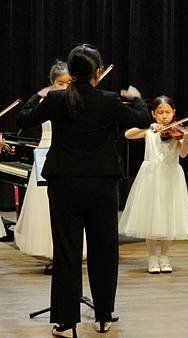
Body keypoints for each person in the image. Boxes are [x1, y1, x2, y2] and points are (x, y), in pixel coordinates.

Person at [17, 43, 150, 337]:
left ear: (71, 71)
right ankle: (103, 315)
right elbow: (143, 120)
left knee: (66, 251)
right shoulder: (109, 99)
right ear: (97, 73)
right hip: (102, 183)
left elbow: (22, 118)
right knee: (104, 250)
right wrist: (138, 99)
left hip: (64, 182)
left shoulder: (54, 99)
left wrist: (37, 95)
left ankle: (65, 321)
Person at [14, 60, 88, 274]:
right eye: (59, 83)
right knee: (45, 209)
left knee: (69, 207)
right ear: (52, 83)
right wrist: (39, 94)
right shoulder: (46, 102)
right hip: (47, 155)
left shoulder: (78, 102)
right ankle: (52, 255)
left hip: (70, 156)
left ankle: (68, 254)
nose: (64, 87)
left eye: (68, 82)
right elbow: (25, 116)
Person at [118, 95, 188, 273]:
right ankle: (152, 257)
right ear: (154, 114)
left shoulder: (178, 133)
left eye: (168, 112)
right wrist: (149, 128)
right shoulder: (150, 133)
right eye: (160, 112)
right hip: (151, 178)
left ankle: (165, 256)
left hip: (171, 176)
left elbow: (183, 154)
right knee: (151, 218)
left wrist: (187, 140)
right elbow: (127, 134)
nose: (165, 116)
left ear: (174, 112)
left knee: (168, 217)